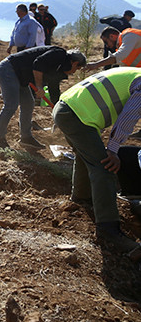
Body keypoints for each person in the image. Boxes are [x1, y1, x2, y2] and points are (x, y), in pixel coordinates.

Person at [53, 68, 141, 260]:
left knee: (87, 158)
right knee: (105, 167)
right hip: (76, 114)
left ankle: (81, 197)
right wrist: (114, 148)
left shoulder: (134, 73)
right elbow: (129, 117)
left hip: (67, 107)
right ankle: (109, 229)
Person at [0, 46, 86, 149]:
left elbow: (54, 90)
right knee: (11, 105)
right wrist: (39, 86)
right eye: (77, 68)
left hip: (21, 76)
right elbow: (38, 63)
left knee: (28, 104)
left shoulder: (59, 69)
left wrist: (59, 111)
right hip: (9, 69)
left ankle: (26, 138)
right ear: (74, 63)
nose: (74, 72)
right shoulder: (59, 54)